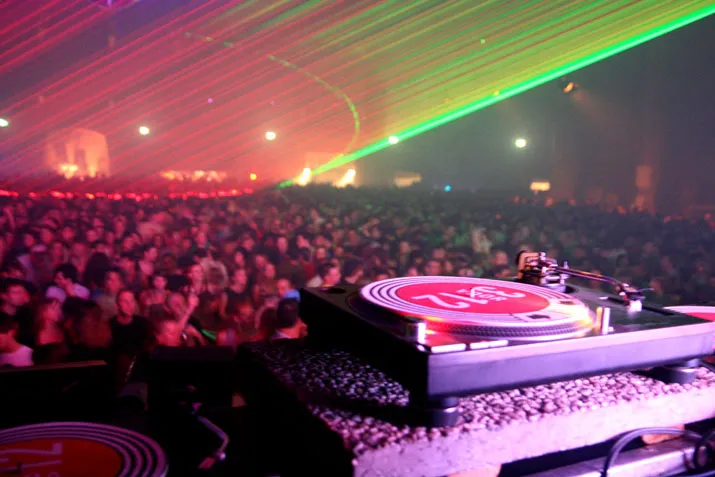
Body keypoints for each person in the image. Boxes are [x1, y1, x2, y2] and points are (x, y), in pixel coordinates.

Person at [110, 290, 151, 358]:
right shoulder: (109, 325)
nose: (129, 305)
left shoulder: (142, 323)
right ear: (117, 304)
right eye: (124, 301)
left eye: (132, 300)